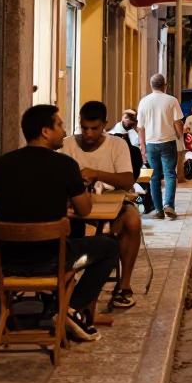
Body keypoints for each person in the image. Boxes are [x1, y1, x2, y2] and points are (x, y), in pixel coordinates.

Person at [0, 104, 119, 343]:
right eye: (59, 125)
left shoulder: (2, 163)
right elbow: (84, 210)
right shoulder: (65, 165)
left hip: (7, 261)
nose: (64, 130)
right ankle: (72, 308)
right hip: (53, 262)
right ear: (45, 131)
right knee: (109, 247)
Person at [62, 100, 142, 309]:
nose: (88, 133)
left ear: (104, 124)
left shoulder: (117, 144)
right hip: (77, 205)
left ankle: (123, 286)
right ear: (79, 122)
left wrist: (96, 173)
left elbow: (127, 180)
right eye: (84, 128)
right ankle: (68, 283)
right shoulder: (67, 145)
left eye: (94, 128)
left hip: (113, 203)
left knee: (132, 220)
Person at [137, 73, 184, 220]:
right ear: (165, 85)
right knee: (169, 174)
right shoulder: (171, 100)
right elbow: (178, 122)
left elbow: (140, 128)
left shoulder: (143, 102)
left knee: (154, 177)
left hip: (151, 144)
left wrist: (143, 147)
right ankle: (168, 204)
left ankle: (158, 209)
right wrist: (180, 135)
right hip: (168, 142)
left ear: (151, 86)